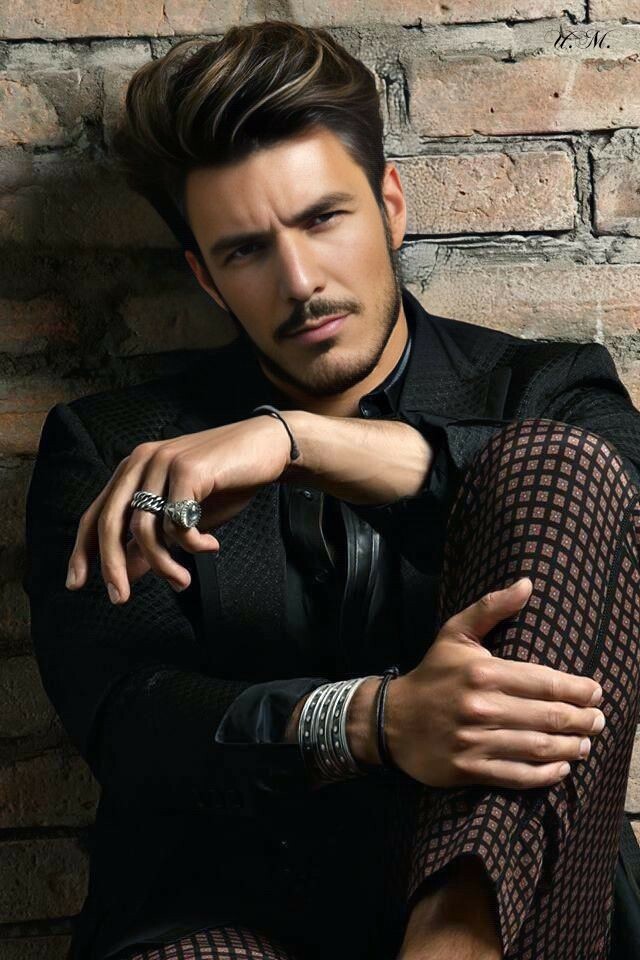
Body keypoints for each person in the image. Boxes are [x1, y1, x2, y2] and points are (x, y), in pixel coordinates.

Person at [23, 19, 640, 960]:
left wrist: (299, 441)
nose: (301, 280)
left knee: (560, 465)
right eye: (246, 251)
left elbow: (626, 537)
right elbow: (131, 725)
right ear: (206, 278)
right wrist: (374, 722)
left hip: (523, 917)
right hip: (229, 917)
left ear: (389, 205)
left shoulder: (548, 387)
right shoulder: (117, 450)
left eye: (322, 219)